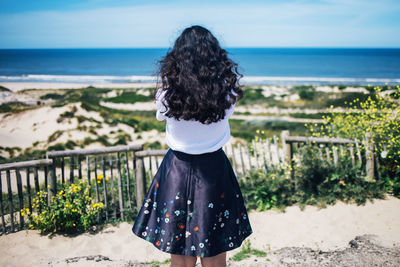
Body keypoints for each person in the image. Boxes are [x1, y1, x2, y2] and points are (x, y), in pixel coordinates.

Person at [132, 25, 253, 267]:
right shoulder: (226, 93)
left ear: (178, 58)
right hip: (214, 171)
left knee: (180, 252)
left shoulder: (166, 95)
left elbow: (162, 116)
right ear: (214, 58)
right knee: (215, 251)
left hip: (176, 170)